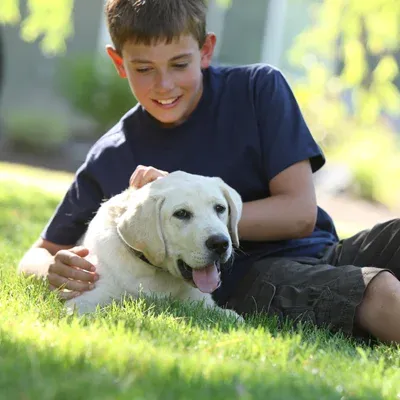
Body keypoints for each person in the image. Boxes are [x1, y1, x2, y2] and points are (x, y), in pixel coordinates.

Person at [18, 0, 400, 344]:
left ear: (205, 50)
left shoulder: (257, 89)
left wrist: (192, 207)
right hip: (251, 279)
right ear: (119, 63)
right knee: (376, 291)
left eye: (179, 64)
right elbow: (36, 255)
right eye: (144, 68)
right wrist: (55, 266)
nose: (164, 85)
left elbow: (300, 214)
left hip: (327, 251)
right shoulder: (114, 155)